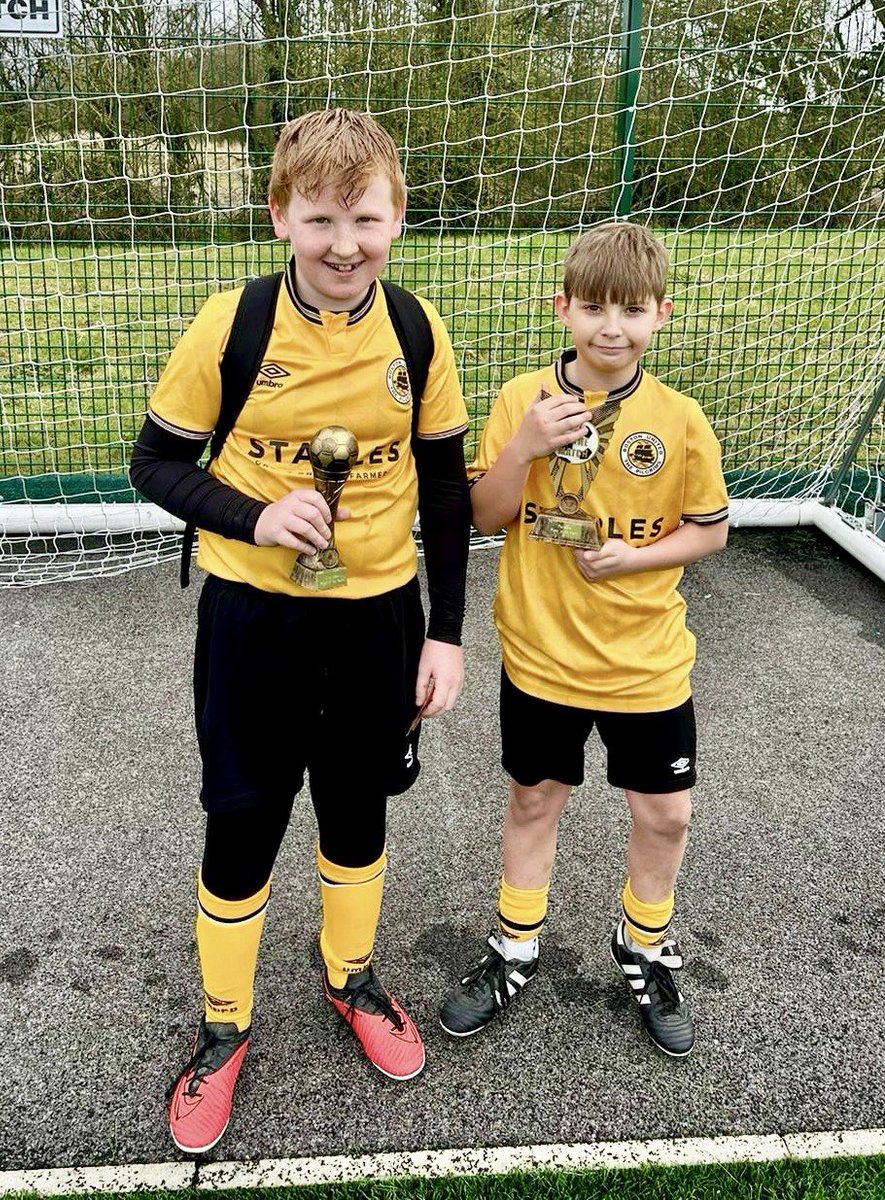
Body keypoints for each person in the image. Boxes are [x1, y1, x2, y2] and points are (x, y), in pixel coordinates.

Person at [129, 108, 470, 1154]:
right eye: (319, 217)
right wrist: (257, 515)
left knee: (356, 807)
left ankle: (351, 976)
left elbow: (449, 496)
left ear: (396, 218)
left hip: (376, 622)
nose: (342, 244)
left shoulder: (415, 330)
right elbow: (154, 464)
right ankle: (225, 1027)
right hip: (251, 619)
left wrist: (445, 633)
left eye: (363, 218)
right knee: (242, 816)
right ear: (281, 216)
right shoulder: (229, 326)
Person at [438, 222, 728, 1059]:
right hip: (541, 654)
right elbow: (485, 517)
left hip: (646, 663)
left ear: (660, 315)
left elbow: (708, 532)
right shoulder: (518, 401)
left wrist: (638, 555)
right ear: (561, 308)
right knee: (534, 800)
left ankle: (643, 948)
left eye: (631, 310)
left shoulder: (677, 419)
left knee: (665, 814)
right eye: (593, 307)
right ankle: (514, 945)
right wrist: (525, 447)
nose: (611, 327)